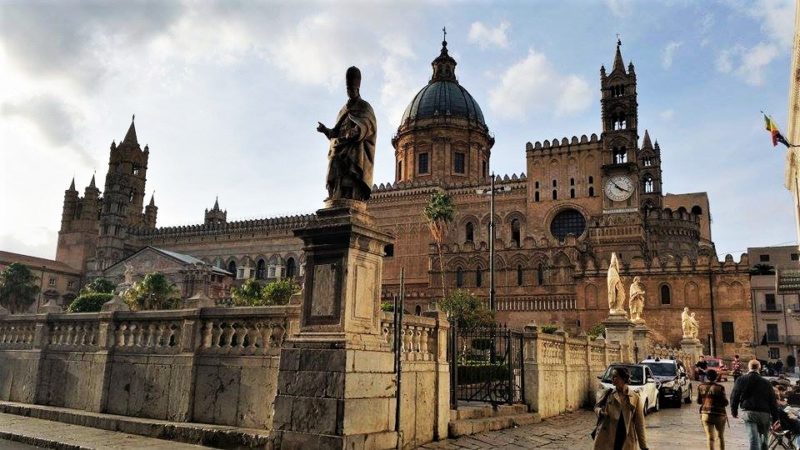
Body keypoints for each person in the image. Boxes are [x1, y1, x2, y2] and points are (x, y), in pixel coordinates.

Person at [317, 66, 377, 202]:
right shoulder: (344, 109)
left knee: (352, 168)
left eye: (352, 89)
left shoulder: (364, 106)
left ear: (358, 89)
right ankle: (335, 194)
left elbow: (369, 124)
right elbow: (335, 132)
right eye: (348, 90)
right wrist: (325, 130)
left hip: (355, 146)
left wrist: (357, 130)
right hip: (340, 145)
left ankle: (351, 195)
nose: (350, 92)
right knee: (334, 166)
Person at [592, 367, 649, 450]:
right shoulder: (608, 394)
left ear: (623, 378)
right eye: (612, 376)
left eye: (615, 376)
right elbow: (596, 407)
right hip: (608, 436)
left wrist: (643, 446)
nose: (612, 378)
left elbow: (639, 423)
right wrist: (600, 412)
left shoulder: (634, 397)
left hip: (626, 438)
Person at [730, 359, 779, 450]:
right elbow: (772, 401)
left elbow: (734, 396)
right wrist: (776, 418)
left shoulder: (741, 379)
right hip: (764, 413)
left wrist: (734, 411)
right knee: (764, 439)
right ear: (759, 368)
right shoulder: (766, 383)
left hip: (749, 413)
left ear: (749, 367)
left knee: (753, 439)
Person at [696, 369, 729, 450]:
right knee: (720, 436)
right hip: (719, 415)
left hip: (705, 414)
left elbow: (698, 401)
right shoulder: (720, 387)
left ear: (707, 377)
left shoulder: (700, 386)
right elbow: (725, 402)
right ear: (716, 377)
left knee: (710, 437)